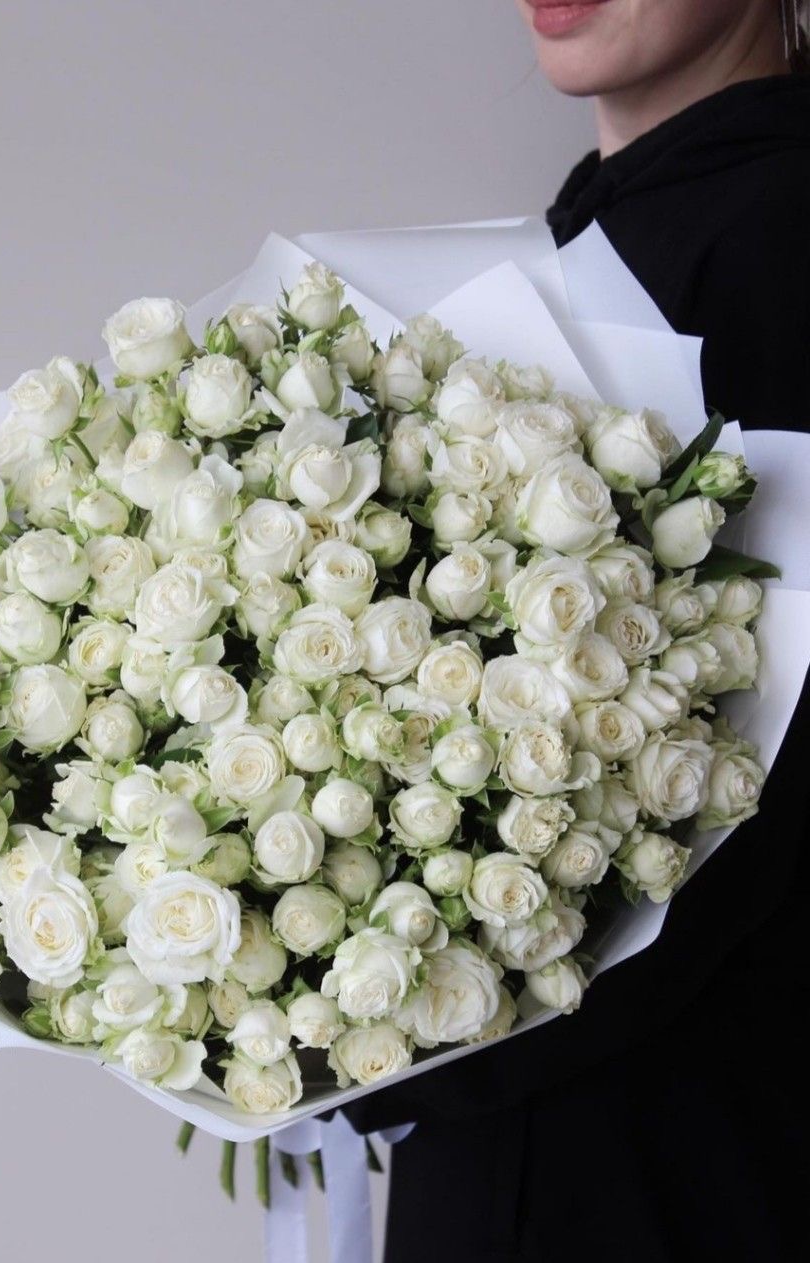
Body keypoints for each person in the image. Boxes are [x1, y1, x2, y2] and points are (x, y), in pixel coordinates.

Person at [347, 5, 810, 1260]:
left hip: (670, 1157)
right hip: (533, 1126)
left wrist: (379, 1056)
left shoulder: (779, 245)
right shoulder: (588, 237)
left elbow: (763, 821)